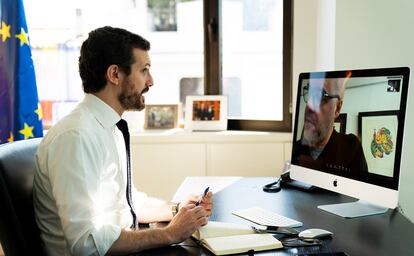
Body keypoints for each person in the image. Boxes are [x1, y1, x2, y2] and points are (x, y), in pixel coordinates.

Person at [33, 26, 213, 256]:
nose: (151, 81)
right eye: (144, 70)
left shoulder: (109, 127)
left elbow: (127, 204)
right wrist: (170, 234)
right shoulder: (75, 137)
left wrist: (178, 210)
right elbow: (86, 243)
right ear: (115, 74)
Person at [292, 74, 368, 177]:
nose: (309, 106)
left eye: (320, 96)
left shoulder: (352, 148)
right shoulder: (296, 149)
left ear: (337, 108)